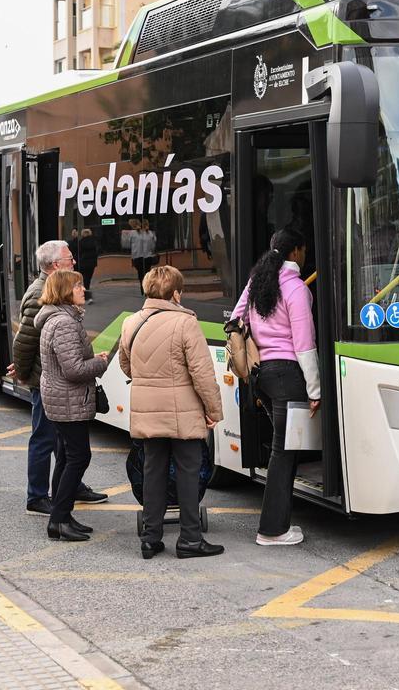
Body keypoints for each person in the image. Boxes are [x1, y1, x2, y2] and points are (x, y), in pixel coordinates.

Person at [119, 265, 224, 560]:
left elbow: (125, 366)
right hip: (183, 410)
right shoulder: (185, 323)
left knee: (153, 470)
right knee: (189, 471)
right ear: (176, 293)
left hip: (147, 409)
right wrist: (214, 410)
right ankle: (190, 539)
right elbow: (202, 373)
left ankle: (151, 538)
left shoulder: (131, 322)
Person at [230, 228, 318, 546]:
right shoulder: (295, 289)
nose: (305, 256)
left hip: (260, 375)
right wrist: (316, 390)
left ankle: (275, 526)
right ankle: (272, 529)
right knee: (284, 453)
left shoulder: (258, 281)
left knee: (282, 449)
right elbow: (305, 345)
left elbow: (237, 319)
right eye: (304, 251)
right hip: (287, 375)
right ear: (296, 251)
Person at [9, 240, 107, 516]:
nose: (74, 262)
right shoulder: (41, 292)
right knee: (45, 437)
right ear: (55, 266)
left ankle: (70, 487)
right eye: (69, 259)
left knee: (65, 446)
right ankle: (37, 496)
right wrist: (26, 373)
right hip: (49, 379)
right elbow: (24, 341)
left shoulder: (54, 291)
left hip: (53, 376)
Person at [36, 269, 109, 542]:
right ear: (66, 291)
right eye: (78, 286)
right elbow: (73, 369)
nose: (83, 290)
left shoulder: (59, 319)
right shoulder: (64, 323)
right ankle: (58, 520)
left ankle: (62, 517)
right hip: (67, 399)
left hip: (62, 398)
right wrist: (100, 362)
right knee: (79, 457)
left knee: (67, 457)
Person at [77, 228, 99, 303]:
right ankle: (87, 296)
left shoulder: (81, 242)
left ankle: (85, 296)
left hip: (83, 262)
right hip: (91, 263)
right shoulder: (94, 241)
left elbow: (79, 252)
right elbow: (97, 251)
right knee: (88, 280)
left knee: (83, 279)